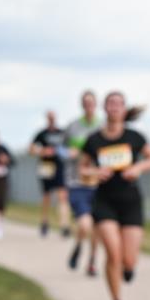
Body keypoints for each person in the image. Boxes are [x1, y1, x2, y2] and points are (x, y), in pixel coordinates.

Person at [80, 91, 150, 300]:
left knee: (128, 259)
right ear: (104, 109)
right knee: (113, 254)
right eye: (110, 103)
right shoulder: (94, 140)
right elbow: (82, 170)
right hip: (105, 201)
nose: (114, 107)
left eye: (119, 104)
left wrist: (137, 168)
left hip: (131, 202)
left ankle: (128, 268)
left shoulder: (134, 137)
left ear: (124, 110)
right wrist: (95, 171)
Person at [64, 90, 102, 276]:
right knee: (85, 225)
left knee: (97, 226)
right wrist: (69, 152)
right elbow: (61, 149)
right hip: (77, 181)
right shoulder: (72, 127)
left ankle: (92, 261)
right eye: (85, 102)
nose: (88, 105)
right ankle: (79, 245)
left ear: (96, 104)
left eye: (91, 102)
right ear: (81, 105)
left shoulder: (103, 126)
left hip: (98, 183)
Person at [30, 110, 69, 237]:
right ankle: (44, 222)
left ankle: (64, 225)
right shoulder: (41, 134)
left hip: (59, 165)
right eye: (49, 117)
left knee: (62, 195)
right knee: (46, 196)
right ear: (47, 118)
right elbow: (31, 149)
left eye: (53, 116)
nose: (51, 119)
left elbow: (69, 148)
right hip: (46, 166)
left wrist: (61, 152)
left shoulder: (62, 133)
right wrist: (42, 151)